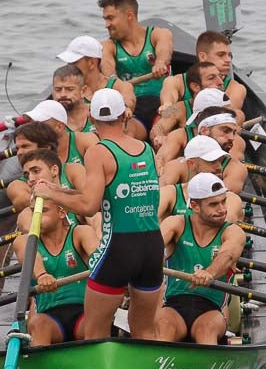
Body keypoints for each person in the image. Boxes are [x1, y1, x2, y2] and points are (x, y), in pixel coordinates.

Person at [32, 88, 163, 341]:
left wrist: (49, 195)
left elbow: (89, 206)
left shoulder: (98, 152)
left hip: (119, 249)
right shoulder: (146, 149)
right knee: (145, 331)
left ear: (91, 120)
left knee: (94, 331)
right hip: (152, 246)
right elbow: (96, 194)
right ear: (125, 116)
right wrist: (57, 190)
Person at [12, 149, 99, 347]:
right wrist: (42, 275)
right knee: (38, 323)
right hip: (50, 319)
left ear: (61, 212)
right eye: (34, 212)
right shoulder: (26, 241)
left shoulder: (80, 234)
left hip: (84, 312)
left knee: (96, 323)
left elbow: (99, 257)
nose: (36, 216)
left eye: (43, 212)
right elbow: (30, 255)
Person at [157, 173, 245, 344]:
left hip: (212, 309)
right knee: (163, 326)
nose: (222, 209)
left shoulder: (232, 232)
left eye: (223, 201)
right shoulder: (176, 223)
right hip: (174, 306)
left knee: (206, 330)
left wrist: (209, 273)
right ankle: (158, 365)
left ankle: (204, 365)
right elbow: (155, 245)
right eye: (213, 204)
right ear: (195, 206)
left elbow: (227, 256)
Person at [97, 0, 172, 128]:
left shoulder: (158, 34)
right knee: (127, 129)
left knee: (168, 122)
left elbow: (164, 49)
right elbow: (106, 64)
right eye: (105, 19)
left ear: (129, 15)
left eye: (110, 18)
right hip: (130, 109)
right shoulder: (108, 46)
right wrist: (114, 81)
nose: (107, 25)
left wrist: (160, 62)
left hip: (163, 105)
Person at [56, 33, 142, 138]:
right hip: (82, 138)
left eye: (74, 63)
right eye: (68, 63)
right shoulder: (65, 93)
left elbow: (129, 100)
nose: (69, 67)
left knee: (129, 126)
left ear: (92, 63)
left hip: (113, 134)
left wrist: (125, 108)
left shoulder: (119, 86)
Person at [156, 30, 246, 118]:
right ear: (202, 57)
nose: (228, 60)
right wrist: (167, 105)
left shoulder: (236, 89)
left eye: (229, 55)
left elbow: (226, 118)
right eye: (221, 55)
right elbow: (167, 108)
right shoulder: (175, 82)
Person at [158, 135, 245, 221]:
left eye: (220, 161)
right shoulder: (169, 194)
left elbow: (218, 229)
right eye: (212, 162)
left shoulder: (232, 200)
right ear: (191, 164)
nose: (219, 167)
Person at [6, 120, 85, 212]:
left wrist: (51, 193)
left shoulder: (74, 169)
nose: (19, 153)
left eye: (25, 146)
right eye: (17, 148)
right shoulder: (16, 185)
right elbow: (22, 202)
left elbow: (89, 200)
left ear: (46, 148)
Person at [150, 60, 225, 149]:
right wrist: (160, 137)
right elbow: (157, 128)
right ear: (195, 87)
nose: (221, 82)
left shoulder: (228, 109)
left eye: (220, 77)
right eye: (211, 78)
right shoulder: (175, 108)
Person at [51, 64, 90, 132]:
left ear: (83, 91)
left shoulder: (96, 112)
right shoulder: (49, 120)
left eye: (70, 89)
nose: (63, 95)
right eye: (58, 89)